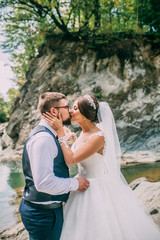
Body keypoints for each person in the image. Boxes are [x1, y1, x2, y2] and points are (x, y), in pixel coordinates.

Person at [43, 94, 160, 240]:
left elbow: (71, 159)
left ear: (85, 114)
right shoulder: (82, 133)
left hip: (94, 188)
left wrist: (60, 132)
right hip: (80, 184)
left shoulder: (99, 137)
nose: (71, 111)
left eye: (75, 108)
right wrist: (66, 138)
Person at [19, 92, 89, 240]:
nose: (69, 111)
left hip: (44, 211)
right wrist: (75, 183)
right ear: (53, 111)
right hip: (43, 214)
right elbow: (44, 183)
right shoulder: (44, 139)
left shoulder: (50, 134)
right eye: (66, 107)